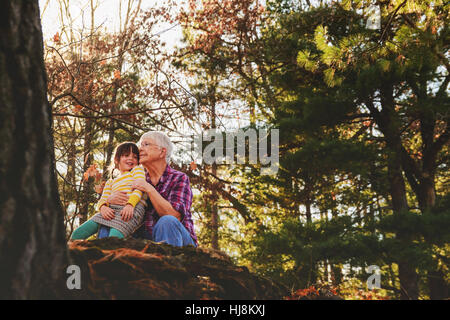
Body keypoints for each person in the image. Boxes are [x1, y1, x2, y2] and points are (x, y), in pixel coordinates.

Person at [104, 131, 198, 247]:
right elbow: (123, 211)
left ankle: (170, 264)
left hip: (179, 241)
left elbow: (174, 216)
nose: (140, 149)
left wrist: (149, 189)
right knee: (108, 223)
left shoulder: (179, 178)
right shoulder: (136, 178)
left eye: (146, 144)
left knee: (166, 221)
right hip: (146, 240)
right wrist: (109, 201)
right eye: (140, 145)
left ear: (162, 152)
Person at [70, 142, 147, 240]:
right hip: (110, 210)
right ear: (116, 159)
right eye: (126, 155)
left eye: (135, 157)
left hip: (130, 209)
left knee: (114, 238)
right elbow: (103, 199)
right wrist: (103, 208)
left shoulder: (137, 171)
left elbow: (139, 188)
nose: (131, 158)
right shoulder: (110, 182)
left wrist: (130, 205)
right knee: (77, 234)